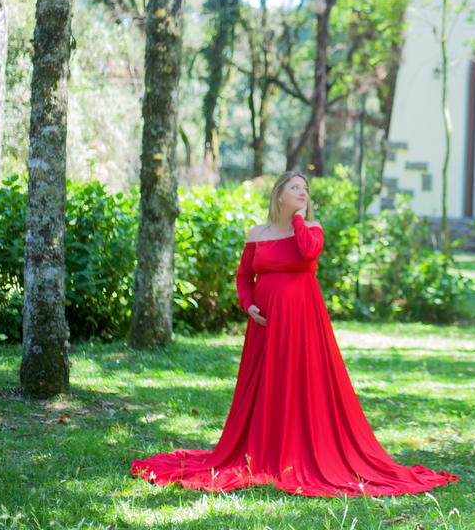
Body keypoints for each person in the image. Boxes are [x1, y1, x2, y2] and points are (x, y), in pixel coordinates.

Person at [131, 171, 457, 496]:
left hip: (303, 321)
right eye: (295, 187)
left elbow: (308, 253)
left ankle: (300, 449)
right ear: (279, 195)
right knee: (267, 387)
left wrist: (299, 220)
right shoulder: (257, 233)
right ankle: (265, 449)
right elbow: (244, 276)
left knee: (303, 382)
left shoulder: (312, 229)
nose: (303, 192)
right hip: (265, 326)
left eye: (306, 189)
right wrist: (248, 305)